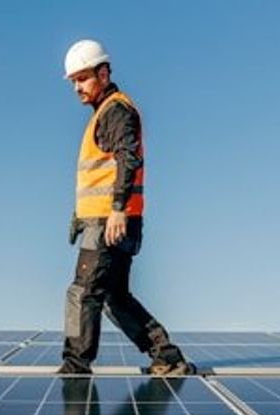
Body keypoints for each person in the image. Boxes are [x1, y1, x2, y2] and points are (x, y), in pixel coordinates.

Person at [59, 39, 193, 377]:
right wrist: (81, 216)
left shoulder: (116, 110)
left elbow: (128, 157)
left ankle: (75, 367)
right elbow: (101, 172)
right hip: (108, 220)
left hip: (111, 222)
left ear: (103, 73)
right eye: (73, 80)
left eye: (83, 78)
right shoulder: (105, 113)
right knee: (114, 297)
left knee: (84, 291)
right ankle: (166, 356)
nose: (77, 87)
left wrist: (117, 209)